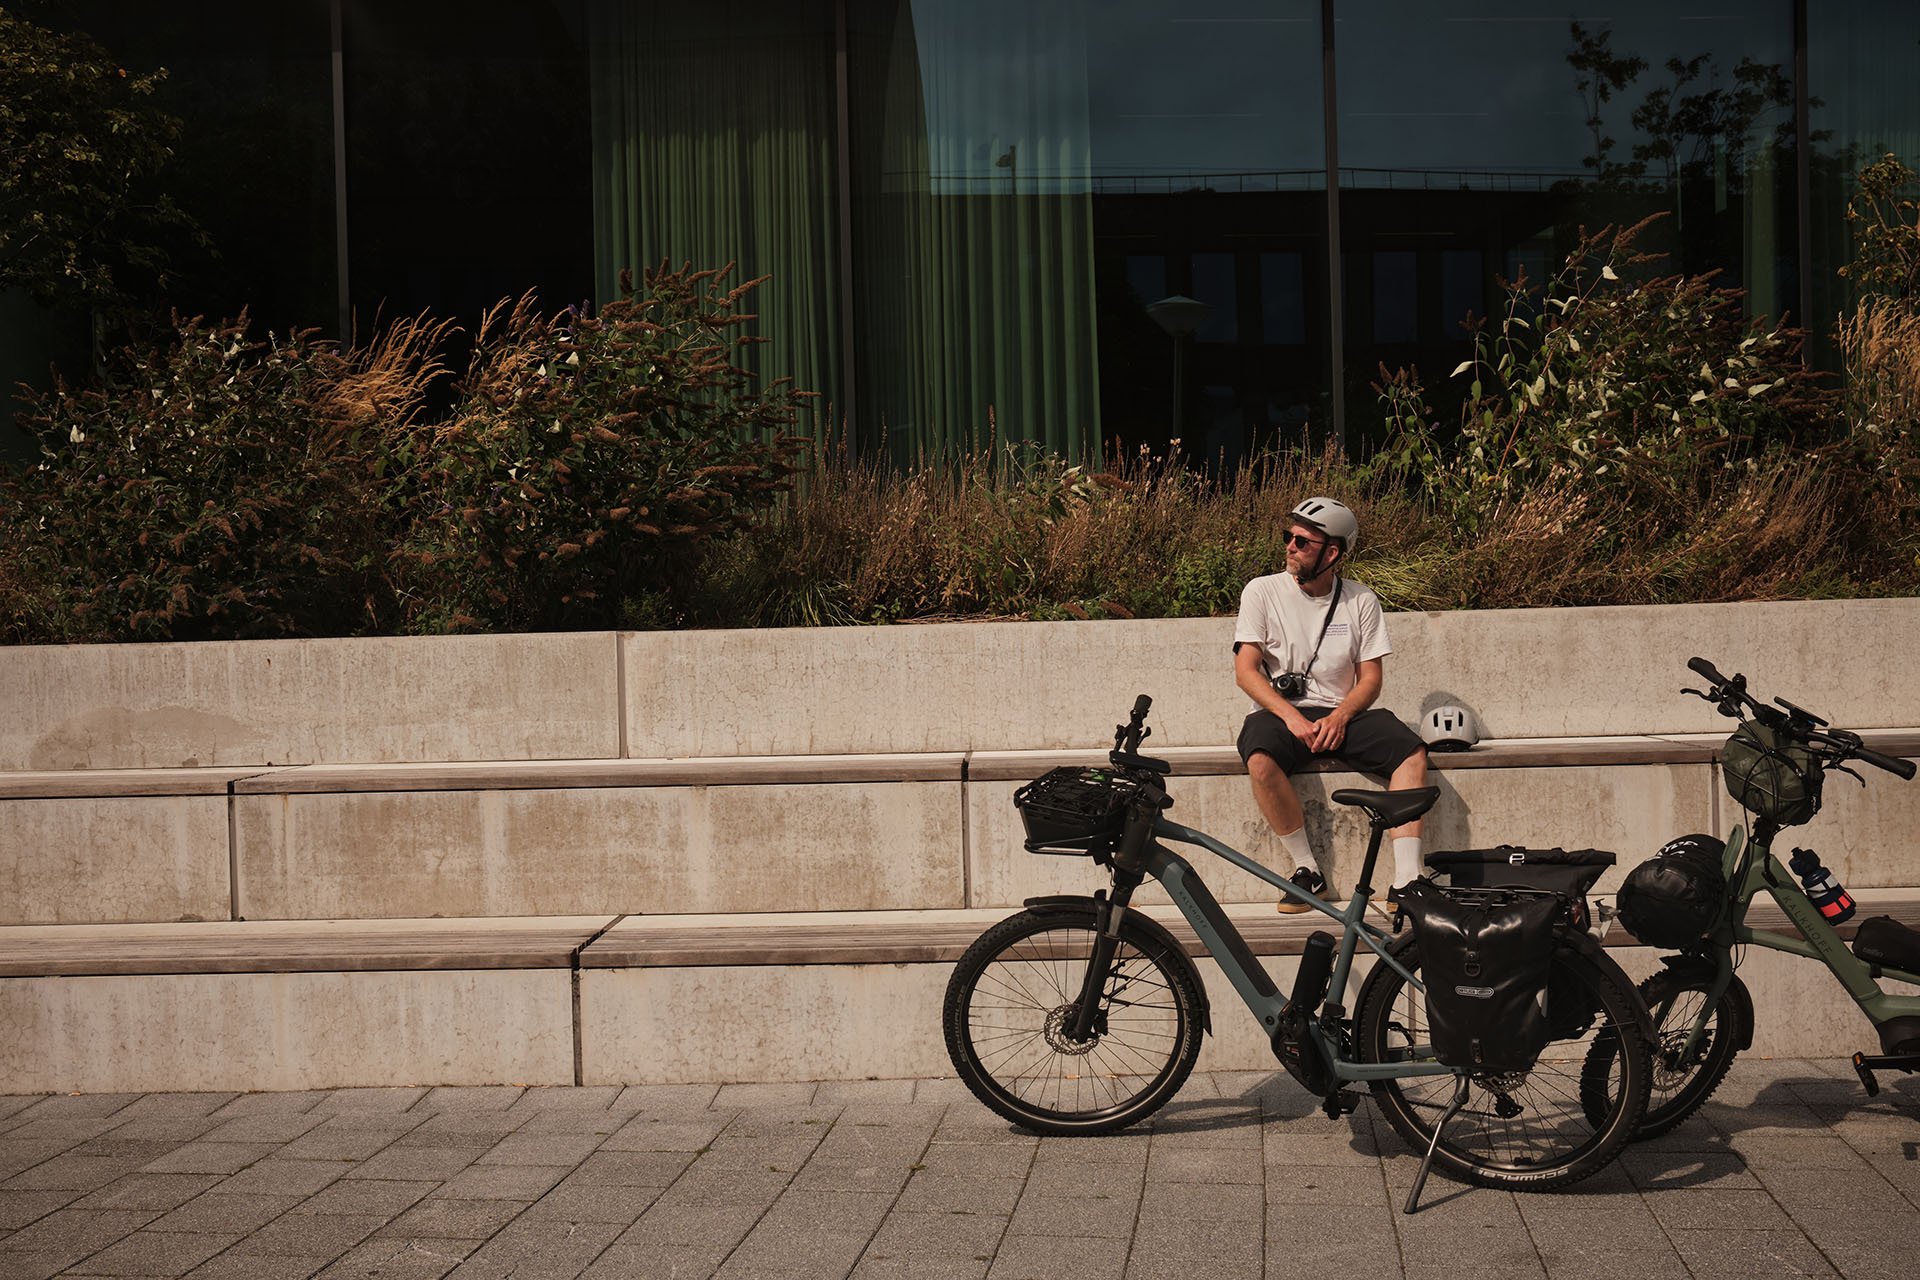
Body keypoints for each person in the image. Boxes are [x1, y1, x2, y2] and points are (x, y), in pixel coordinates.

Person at [1232, 497, 1429, 915]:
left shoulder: (1361, 601)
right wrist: (1292, 718)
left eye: (1302, 541)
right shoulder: (1262, 591)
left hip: (1344, 714)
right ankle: (1307, 869)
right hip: (1283, 714)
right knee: (1260, 757)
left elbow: (1371, 679)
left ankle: (1407, 880)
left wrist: (1342, 716)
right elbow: (1247, 671)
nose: (1289, 546)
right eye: (1289, 537)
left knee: (1411, 751)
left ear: (1332, 553)